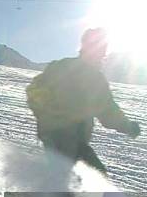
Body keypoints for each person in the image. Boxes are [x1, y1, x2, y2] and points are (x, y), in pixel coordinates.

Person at [26, 28, 140, 178]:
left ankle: (41, 191)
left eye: (102, 48)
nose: (100, 52)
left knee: (74, 178)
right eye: (96, 47)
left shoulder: (94, 78)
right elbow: (35, 89)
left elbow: (107, 110)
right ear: (85, 46)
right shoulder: (64, 67)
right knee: (92, 177)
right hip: (59, 135)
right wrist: (45, 114)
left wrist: (127, 126)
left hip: (74, 139)